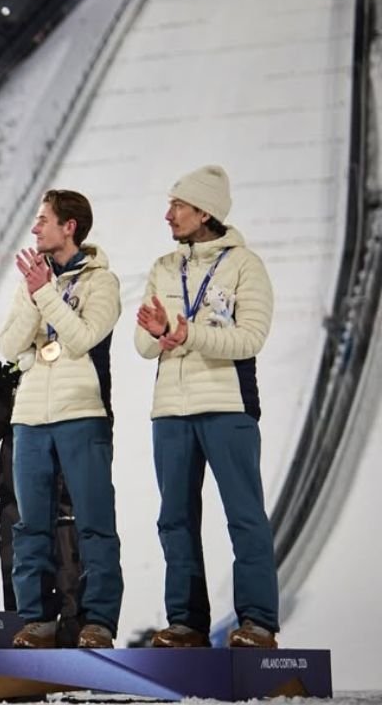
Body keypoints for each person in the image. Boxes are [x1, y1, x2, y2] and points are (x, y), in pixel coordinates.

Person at [134, 165, 278, 649]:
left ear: (205, 211)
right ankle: (186, 624)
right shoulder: (162, 266)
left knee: (244, 515)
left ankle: (258, 624)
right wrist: (157, 334)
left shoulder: (244, 265)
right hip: (170, 411)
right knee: (174, 519)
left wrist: (187, 333)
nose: (168, 215)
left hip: (228, 407)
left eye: (178, 205)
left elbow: (250, 338)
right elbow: (142, 343)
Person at [0, 189, 122, 649]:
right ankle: (36, 621)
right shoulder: (32, 281)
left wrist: (44, 293)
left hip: (81, 411)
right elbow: (9, 347)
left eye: (43, 220)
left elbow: (82, 338)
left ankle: (99, 621)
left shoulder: (101, 281)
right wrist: (36, 294)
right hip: (29, 415)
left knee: (93, 520)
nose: (35, 228)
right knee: (30, 525)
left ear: (69, 226)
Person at [0, 361, 81, 647]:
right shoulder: (13, 371)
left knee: (69, 577)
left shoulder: (68, 361)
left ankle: (77, 665)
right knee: (16, 575)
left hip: (62, 492)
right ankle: (22, 662)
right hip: (14, 494)